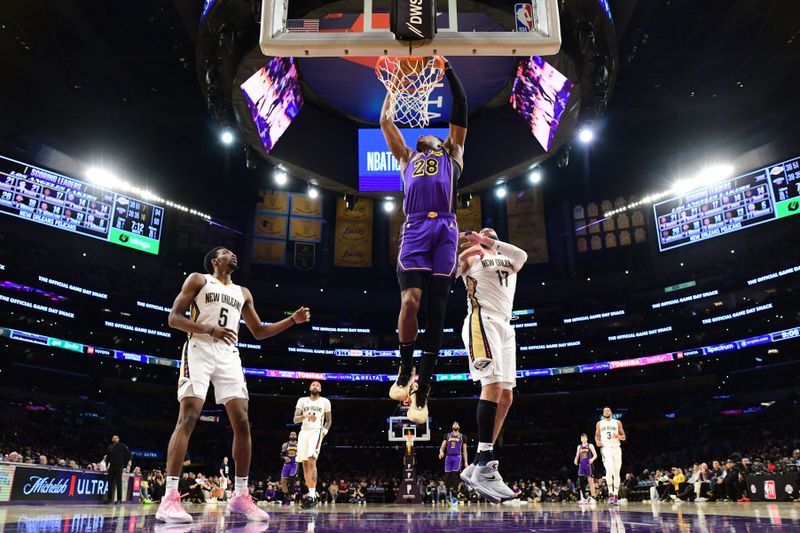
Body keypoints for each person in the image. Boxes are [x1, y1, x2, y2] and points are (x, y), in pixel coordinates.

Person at [156, 246, 311, 523]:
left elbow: (259, 331)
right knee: (189, 417)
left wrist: (292, 320)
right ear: (215, 260)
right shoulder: (198, 280)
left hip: (229, 355)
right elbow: (174, 318)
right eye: (226, 252)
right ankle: (169, 498)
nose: (233, 254)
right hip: (199, 348)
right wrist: (209, 329)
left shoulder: (243, 292)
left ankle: (240, 496)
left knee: (242, 421)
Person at [381, 58, 468, 424]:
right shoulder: (406, 157)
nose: (426, 134)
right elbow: (386, 122)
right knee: (410, 302)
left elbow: (461, 108)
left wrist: (447, 71)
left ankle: (424, 389)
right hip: (415, 228)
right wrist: (391, 87)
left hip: (446, 230)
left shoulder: (453, 152)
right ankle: (404, 369)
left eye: (433, 133)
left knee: (437, 312)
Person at [455, 228, 527, 502]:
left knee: (506, 396)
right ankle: (485, 461)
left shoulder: (510, 259)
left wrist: (486, 241)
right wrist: (467, 250)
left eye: (490, 233)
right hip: (481, 319)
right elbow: (451, 271)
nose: (484, 233)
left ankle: (478, 463)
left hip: (506, 326)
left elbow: (522, 254)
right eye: (482, 232)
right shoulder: (471, 258)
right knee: (493, 386)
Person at [293, 381, 332, 509]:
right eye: (313, 384)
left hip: (316, 431)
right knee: (304, 464)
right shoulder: (302, 400)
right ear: (310, 387)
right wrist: (305, 416)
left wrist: (324, 432)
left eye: (318, 385)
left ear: (320, 389)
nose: (315, 386)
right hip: (304, 432)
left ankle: (312, 496)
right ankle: (311, 496)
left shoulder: (325, 401)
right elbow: (295, 419)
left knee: (311, 462)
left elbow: (328, 420)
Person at [595, 407, 626, 506]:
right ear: (603, 413)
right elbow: (597, 435)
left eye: (608, 410)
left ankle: (616, 496)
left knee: (617, 472)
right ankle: (610, 493)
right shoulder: (599, 423)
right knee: (609, 470)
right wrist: (597, 441)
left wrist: (618, 436)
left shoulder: (617, 422)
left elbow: (624, 437)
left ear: (611, 412)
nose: (606, 412)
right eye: (604, 411)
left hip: (616, 448)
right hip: (606, 449)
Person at [439, 421, 468, 505]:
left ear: (459, 427)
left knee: (455, 477)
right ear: (452, 426)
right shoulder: (447, 435)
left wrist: (466, 462)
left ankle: (455, 497)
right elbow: (442, 447)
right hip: (448, 457)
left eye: (457, 424)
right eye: (454, 423)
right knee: (447, 477)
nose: (455, 424)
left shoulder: (463, 437)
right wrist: (441, 452)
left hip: (457, 457)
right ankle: (448, 493)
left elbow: (465, 450)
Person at [103, 435, 131, 504]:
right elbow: (108, 458)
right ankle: (109, 499)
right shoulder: (110, 447)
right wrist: (106, 466)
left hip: (119, 467)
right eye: (113, 438)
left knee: (119, 483)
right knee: (110, 483)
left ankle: (119, 499)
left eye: (116, 438)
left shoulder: (122, 446)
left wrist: (130, 460)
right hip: (111, 467)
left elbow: (129, 454)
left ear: (119, 439)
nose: (114, 438)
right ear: (112, 439)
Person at [574, 433, 598, 502]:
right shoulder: (579, 447)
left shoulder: (590, 445)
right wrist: (575, 459)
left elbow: (595, 455)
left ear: (587, 439)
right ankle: (584, 497)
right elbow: (577, 455)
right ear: (581, 439)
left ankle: (593, 497)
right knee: (581, 481)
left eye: (585, 437)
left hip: (588, 465)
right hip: (581, 465)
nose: (583, 439)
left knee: (591, 481)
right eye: (582, 438)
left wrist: (592, 459)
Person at [280, 432, 299, 503]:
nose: (293, 435)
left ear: (296, 436)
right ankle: (287, 495)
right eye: (292, 434)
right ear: (289, 436)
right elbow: (281, 455)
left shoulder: (299, 445)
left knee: (292, 477)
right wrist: (285, 457)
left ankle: (292, 494)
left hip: (294, 464)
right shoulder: (285, 445)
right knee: (283, 482)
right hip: (286, 464)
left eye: (294, 434)